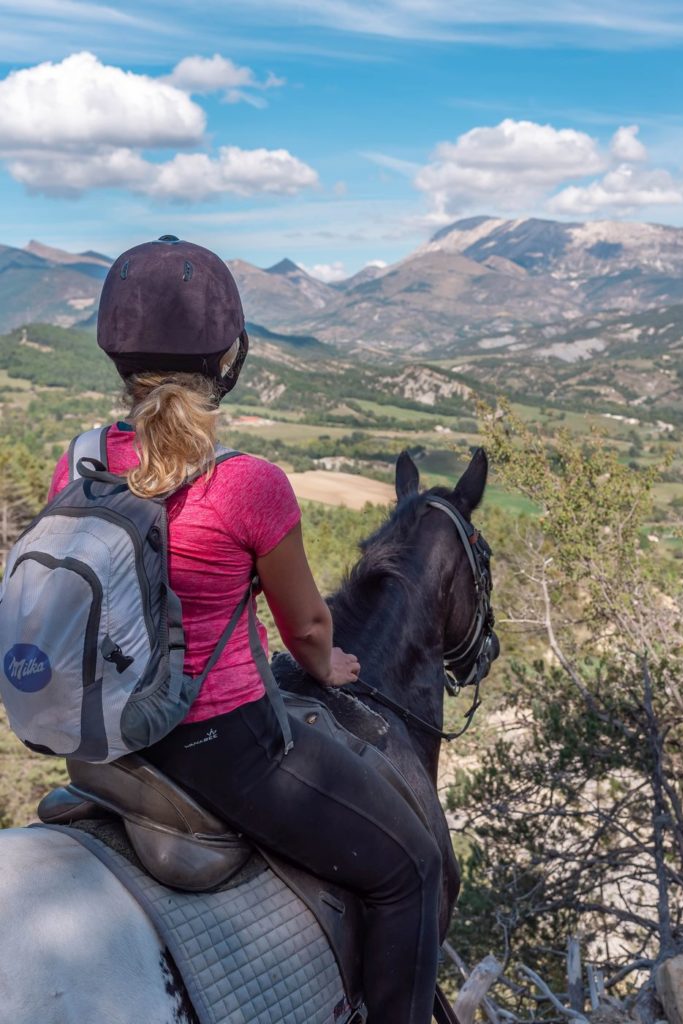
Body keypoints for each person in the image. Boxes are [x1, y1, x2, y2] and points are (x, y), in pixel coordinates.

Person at [47, 236, 442, 1024]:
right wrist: (325, 667)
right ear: (228, 359)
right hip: (216, 745)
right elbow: (305, 625)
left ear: (117, 358)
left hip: (102, 735)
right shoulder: (248, 484)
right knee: (414, 871)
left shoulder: (81, 459)